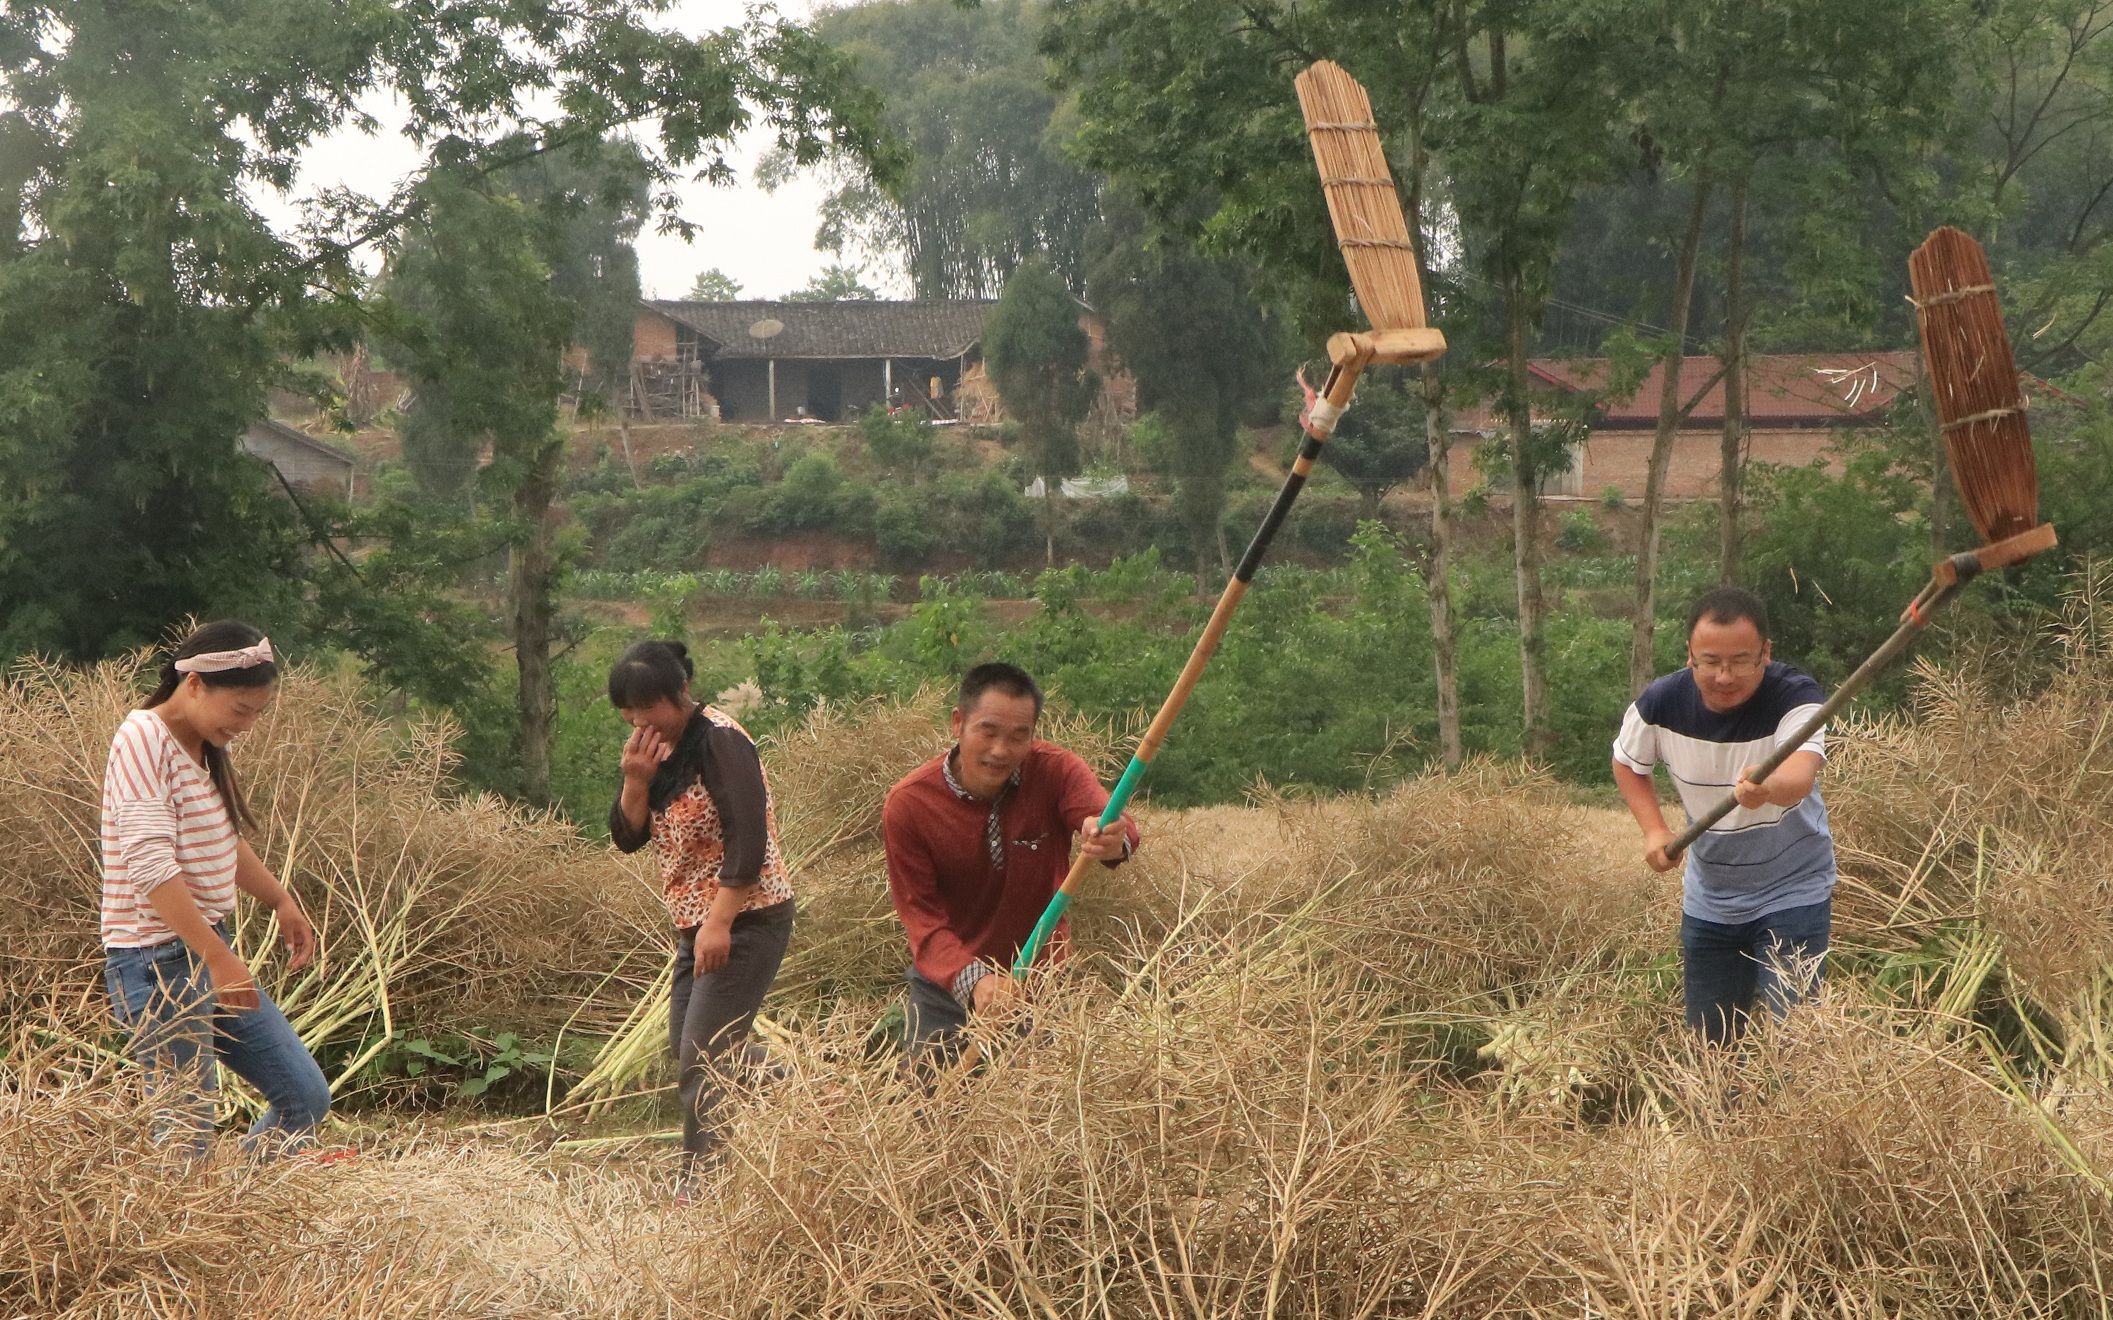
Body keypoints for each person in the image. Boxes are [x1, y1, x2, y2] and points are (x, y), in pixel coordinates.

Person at [100, 620, 332, 1158]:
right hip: (157, 963)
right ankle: (184, 1238)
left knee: (304, 1097)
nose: (248, 725)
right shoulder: (142, 738)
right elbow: (151, 867)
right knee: (186, 1136)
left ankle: (235, 1213)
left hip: (204, 949)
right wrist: (220, 958)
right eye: (241, 710)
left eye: (257, 712)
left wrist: (280, 900)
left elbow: (222, 841)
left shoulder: (200, 746)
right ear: (196, 684)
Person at [882, 662, 1140, 1069]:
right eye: (988, 731)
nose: (1001, 751)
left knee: (1039, 1115)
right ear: (957, 723)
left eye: (1019, 736)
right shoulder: (910, 804)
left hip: (1040, 981)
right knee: (929, 1109)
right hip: (945, 988)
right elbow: (923, 921)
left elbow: (1107, 822)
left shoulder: (1057, 771)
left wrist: (1111, 837)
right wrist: (976, 980)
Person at [607, 640, 795, 1187]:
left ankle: (703, 1183)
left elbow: (750, 841)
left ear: (681, 692)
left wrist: (720, 922)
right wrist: (635, 781)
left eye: (650, 709)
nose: (641, 722)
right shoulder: (657, 752)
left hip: (747, 918)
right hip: (694, 925)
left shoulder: (721, 743)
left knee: (704, 1058)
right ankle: (808, 1083)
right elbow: (627, 836)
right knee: (689, 1049)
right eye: (630, 714)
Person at [1613, 587, 1837, 1044]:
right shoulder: (1659, 704)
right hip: (1712, 898)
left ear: (1765, 653)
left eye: (1740, 660)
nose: (1724, 675)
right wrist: (1654, 830)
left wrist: (1767, 787)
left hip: (1793, 890)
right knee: (1711, 1044)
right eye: (1710, 660)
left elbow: (1800, 774)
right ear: (1690, 655)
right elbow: (1627, 764)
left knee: (1798, 1038)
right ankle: (1721, 1115)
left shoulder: (1796, 697)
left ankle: (1796, 1114)